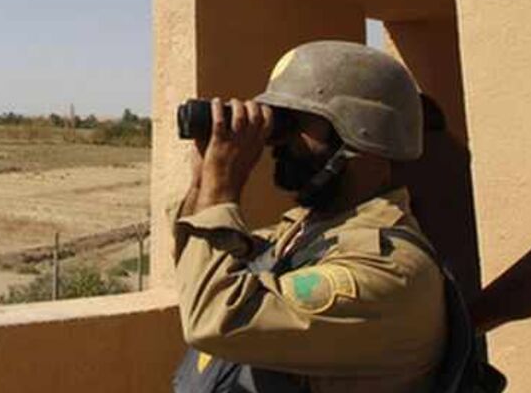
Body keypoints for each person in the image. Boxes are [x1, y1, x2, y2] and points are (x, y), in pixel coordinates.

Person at [173, 41, 449, 393]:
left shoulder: (391, 269)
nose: (278, 139)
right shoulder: (309, 228)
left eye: (296, 121)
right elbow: (197, 268)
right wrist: (202, 182)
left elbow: (212, 320)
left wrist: (221, 190)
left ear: (361, 133)